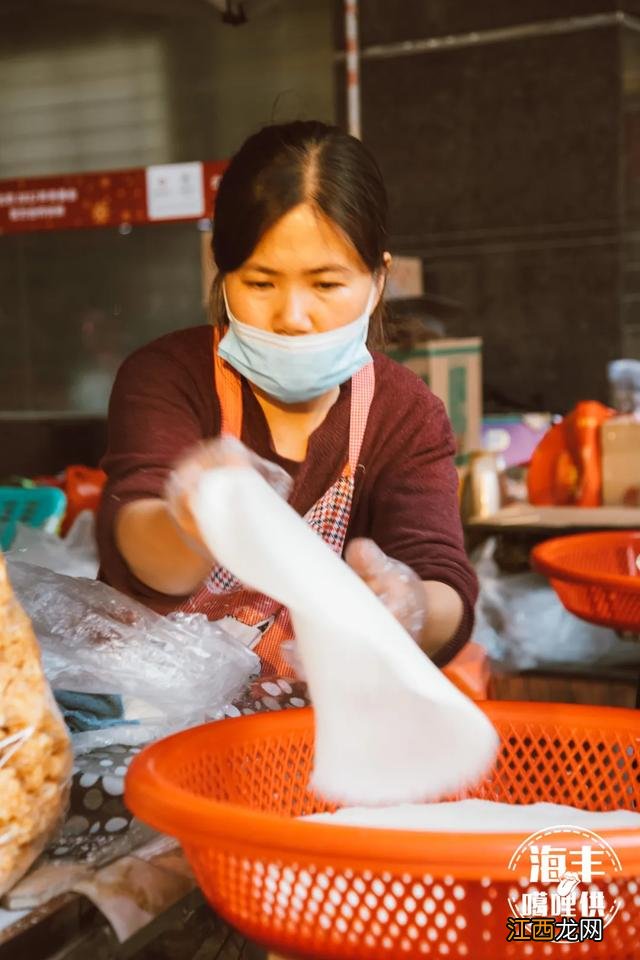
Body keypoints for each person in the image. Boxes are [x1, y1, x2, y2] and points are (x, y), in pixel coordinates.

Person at [97, 121, 478, 681]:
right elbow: (148, 553)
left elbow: (443, 581)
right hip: (155, 719)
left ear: (379, 280)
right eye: (261, 283)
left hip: (312, 735)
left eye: (326, 285)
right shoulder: (167, 376)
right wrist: (189, 523)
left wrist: (410, 607)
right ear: (221, 272)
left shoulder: (405, 413)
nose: (293, 317)